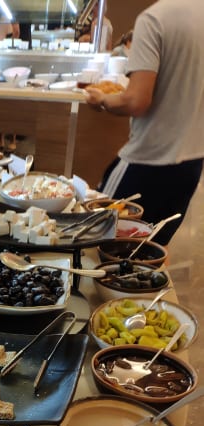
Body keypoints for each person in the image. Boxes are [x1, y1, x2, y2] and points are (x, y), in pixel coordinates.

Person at [84, 0, 204, 246]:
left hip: (148, 159)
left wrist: (102, 99)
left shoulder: (154, 19)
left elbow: (136, 100)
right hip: (192, 163)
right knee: (150, 249)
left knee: (99, 240)